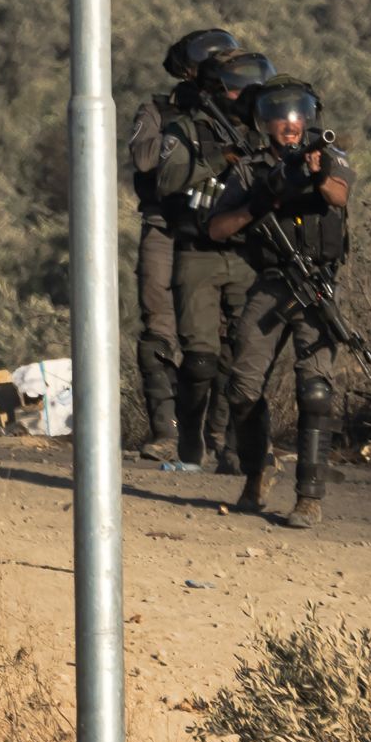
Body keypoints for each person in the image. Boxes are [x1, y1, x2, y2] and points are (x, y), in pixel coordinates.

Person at [208, 75, 355, 528]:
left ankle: (309, 498)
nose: (290, 126)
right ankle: (257, 472)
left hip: (316, 285)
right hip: (272, 284)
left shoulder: (329, 157)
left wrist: (317, 173)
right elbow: (216, 228)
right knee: (242, 387)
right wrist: (261, 202)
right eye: (279, 116)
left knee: (315, 391)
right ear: (264, 122)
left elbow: (339, 195)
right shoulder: (249, 169)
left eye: (297, 115)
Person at [156, 48, 276, 470]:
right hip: (198, 252)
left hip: (247, 252)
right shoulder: (185, 129)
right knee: (201, 358)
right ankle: (190, 438)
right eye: (237, 84)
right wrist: (217, 159)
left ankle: (235, 446)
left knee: (242, 356)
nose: (247, 92)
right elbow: (167, 178)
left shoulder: (262, 131)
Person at [128, 28, 239, 461]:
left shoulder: (235, 112)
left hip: (216, 230)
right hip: (164, 225)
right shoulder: (159, 110)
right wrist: (189, 134)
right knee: (158, 329)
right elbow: (144, 158)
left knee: (225, 333)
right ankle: (166, 432)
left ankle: (220, 434)